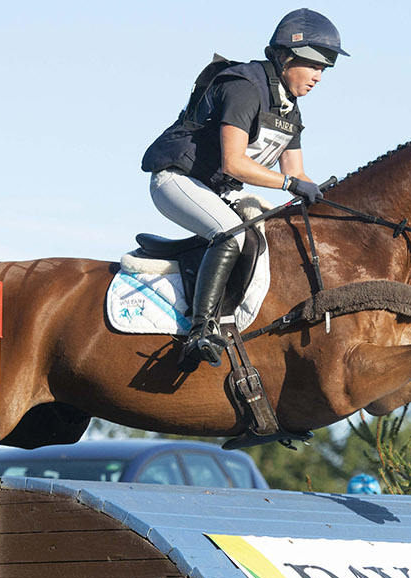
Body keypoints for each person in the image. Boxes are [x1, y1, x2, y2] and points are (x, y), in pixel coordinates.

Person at [142, 8, 347, 370]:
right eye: (314, 65)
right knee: (230, 234)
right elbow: (234, 164)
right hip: (176, 179)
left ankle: (228, 319)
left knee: (259, 235)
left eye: (324, 68)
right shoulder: (245, 88)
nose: (319, 76)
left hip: (215, 190)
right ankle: (200, 330)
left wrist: (340, 204)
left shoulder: (289, 109)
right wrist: (290, 184)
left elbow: (297, 172)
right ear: (285, 56)